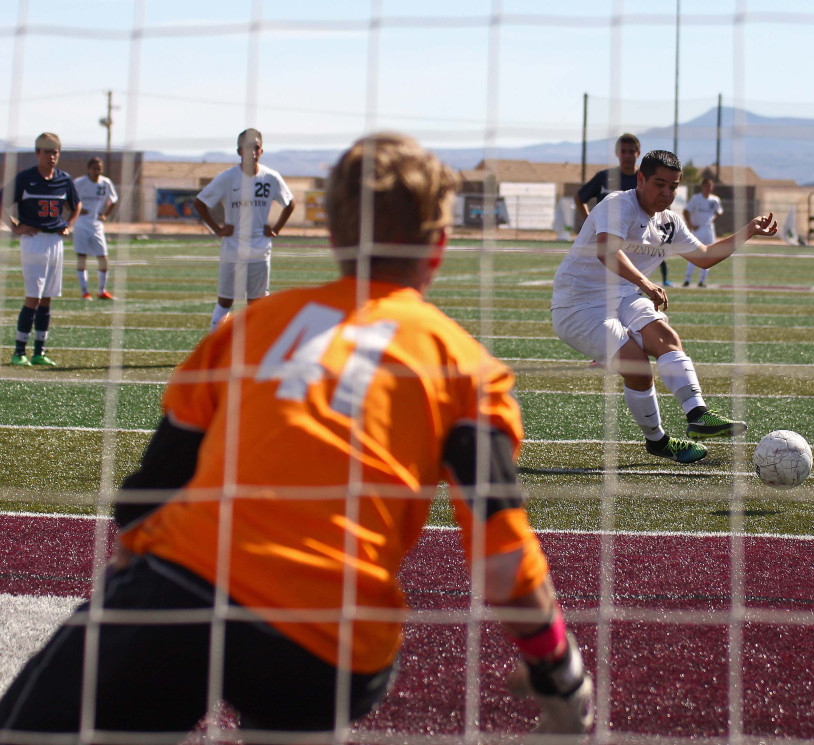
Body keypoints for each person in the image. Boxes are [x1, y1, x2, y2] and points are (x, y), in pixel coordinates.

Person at [0, 133, 594, 742]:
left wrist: (128, 609)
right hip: (330, 641)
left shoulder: (247, 329)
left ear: (335, 238)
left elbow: (152, 488)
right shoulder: (465, 368)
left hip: (187, 589)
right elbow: (501, 558)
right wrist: (558, 668)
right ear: (439, 246)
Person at [552, 150, 776, 464]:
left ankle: (698, 415)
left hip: (624, 298)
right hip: (578, 304)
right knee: (638, 367)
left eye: (673, 187)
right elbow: (607, 251)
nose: (667, 193)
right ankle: (657, 441)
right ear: (640, 179)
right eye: (660, 184)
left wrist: (749, 230)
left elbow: (705, 257)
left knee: (666, 339)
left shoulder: (669, 222)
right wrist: (646, 284)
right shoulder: (619, 204)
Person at [194, 128, 296, 333]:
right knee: (225, 300)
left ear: (262, 150)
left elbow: (290, 204)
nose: (252, 151)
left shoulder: (271, 177)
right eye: (247, 147)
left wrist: (275, 229)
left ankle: (254, 348)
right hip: (232, 249)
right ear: (239, 151)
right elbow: (200, 203)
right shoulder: (227, 178)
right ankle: (215, 347)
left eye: (256, 147)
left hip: (260, 251)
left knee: (256, 304)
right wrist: (217, 229)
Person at [1, 132, 81, 367]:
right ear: (37, 153)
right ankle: (18, 352)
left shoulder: (64, 180)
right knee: (33, 298)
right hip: (33, 239)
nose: (52, 156)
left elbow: (76, 206)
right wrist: (15, 227)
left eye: (55, 152)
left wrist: (69, 225)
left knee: (47, 299)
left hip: (55, 240)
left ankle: (39, 351)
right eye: (47, 151)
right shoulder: (25, 178)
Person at [575, 133, 672, 286]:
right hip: (608, 240)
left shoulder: (647, 180)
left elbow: (661, 206)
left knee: (632, 286)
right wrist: (590, 222)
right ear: (617, 153)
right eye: (623, 151)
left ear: (638, 153)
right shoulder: (605, 177)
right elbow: (580, 198)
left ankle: (663, 280)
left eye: (631, 151)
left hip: (636, 242)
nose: (627, 155)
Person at [73, 156, 119, 300]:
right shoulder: (79, 183)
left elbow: (114, 200)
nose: (97, 171)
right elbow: (67, 199)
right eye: (94, 168)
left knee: (103, 257)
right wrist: (76, 211)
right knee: (82, 257)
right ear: (88, 169)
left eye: (99, 169)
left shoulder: (105, 183)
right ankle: (84, 292)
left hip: (96, 224)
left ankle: (101, 290)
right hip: (81, 224)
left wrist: (105, 215)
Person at [683, 177, 724, 287]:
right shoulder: (696, 198)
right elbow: (686, 211)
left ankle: (702, 280)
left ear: (712, 187)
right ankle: (687, 279)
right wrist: (690, 225)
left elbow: (719, 212)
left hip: (709, 229)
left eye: (710, 186)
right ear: (702, 187)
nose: (708, 188)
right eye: (706, 186)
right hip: (698, 229)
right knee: (694, 253)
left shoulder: (715, 200)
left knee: (709, 255)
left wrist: (711, 218)